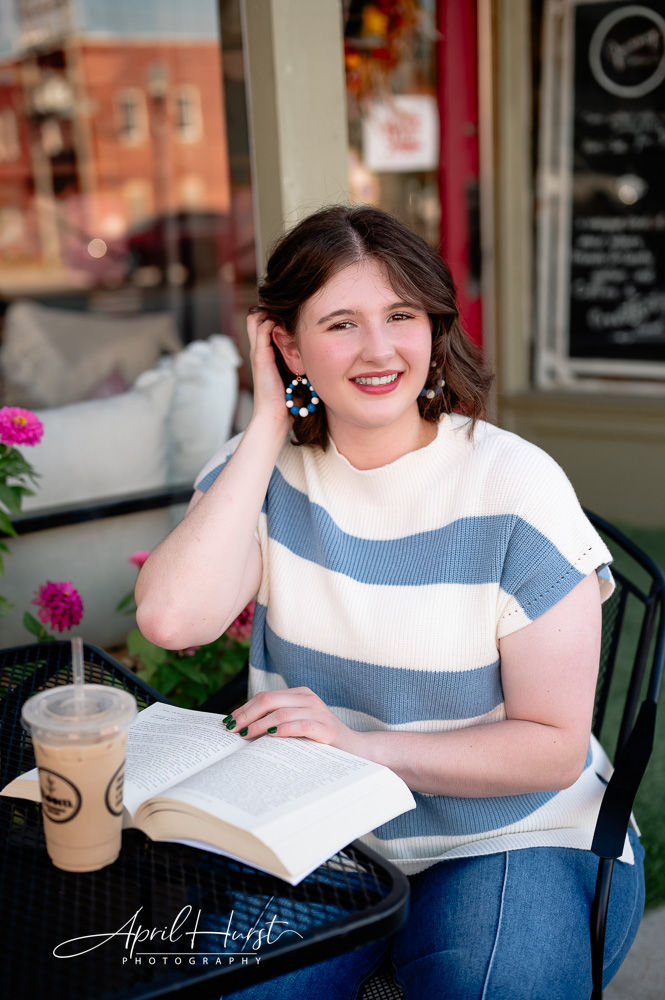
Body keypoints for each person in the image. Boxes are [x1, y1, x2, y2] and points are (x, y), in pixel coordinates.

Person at [135, 205, 645, 1000]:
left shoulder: (514, 487)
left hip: (512, 833)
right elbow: (173, 621)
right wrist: (268, 418)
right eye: (340, 323)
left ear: (433, 328)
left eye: (400, 315)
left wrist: (361, 747)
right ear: (287, 343)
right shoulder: (260, 470)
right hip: (315, 827)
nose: (378, 350)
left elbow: (549, 747)